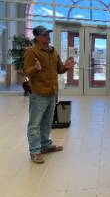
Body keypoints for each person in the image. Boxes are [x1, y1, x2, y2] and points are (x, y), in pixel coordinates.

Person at [24, 25, 74, 164]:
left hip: (52, 92)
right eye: (45, 34)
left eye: (48, 34)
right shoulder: (31, 52)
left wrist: (67, 67)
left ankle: (45, 145)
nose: (48, 36)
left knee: (47, 122)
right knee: (35, 124)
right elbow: (27, 72)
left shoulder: (53, 51)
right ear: (38, 37)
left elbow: (59, 69)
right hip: (39, 93)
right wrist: (35, 68)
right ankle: (35, 151)